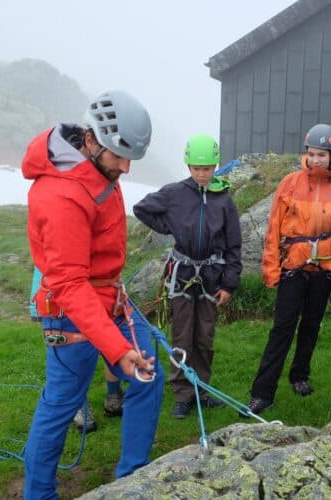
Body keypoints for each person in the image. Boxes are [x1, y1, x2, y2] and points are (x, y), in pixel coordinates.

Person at [22, 89, 165, 498]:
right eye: (118, 156)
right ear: (90, 139)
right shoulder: (61, 194)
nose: (125, 167)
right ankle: (38, 493)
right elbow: (68, 282)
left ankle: (132, 480)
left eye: (130, 158)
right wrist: (118, 350)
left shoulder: (99, 167)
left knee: (148, 372)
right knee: (62, 404)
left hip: (108, 299)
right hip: (70, 312)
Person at [244, 124, 331, 415]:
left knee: (310, 326)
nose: (316, 159)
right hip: (293, 266)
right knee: (282, 328)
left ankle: (300, 376)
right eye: (312, 153)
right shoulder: (290, 183)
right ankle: (262, 393)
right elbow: (273, 229)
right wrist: (271, 269)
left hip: (325, 268)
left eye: (322, 154)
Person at [133, 134, 242, 419]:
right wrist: (171, 226)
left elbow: (233, 245)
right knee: (182, 335)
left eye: (207, 168)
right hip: (182, 275)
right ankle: (182, 393)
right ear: (189, 165)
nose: (202, 174)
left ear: (215, 166)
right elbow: (142, 209)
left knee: (204, 337)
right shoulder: (174, 193)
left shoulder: (224, 200)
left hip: (211, 276)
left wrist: (229, 283)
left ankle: (201, 390)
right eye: (196, 168)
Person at [31, 266, 124, 433]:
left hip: (103, 291)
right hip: (65, 300)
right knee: (74, 356)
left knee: (112, 344)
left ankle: (114, 396)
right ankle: (80, 405)